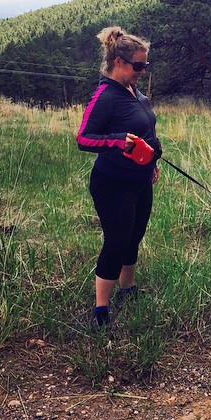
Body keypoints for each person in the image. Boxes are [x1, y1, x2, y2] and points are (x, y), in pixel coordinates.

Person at [76, 26, 162, 331]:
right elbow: (83, 138)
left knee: (134, 236)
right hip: (112, 183)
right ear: (118, 62)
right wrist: (116, 142)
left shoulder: (133, 92)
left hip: (140, 179)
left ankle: (128, 290)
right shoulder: (105, 95)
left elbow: (148, 130)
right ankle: (101, 310)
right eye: (137, 66)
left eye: (145, 65)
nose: (142, 71)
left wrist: (153, 160)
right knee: (116, 241)